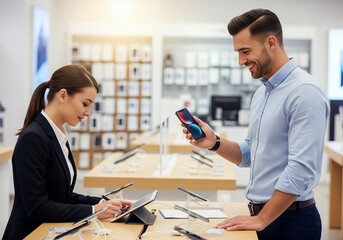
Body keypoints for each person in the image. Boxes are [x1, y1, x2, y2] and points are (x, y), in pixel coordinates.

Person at [182, 9, 329, 240]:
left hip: (290, 223)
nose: (240, 61)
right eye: (238, 52)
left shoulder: (304, 93)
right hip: (264, 218)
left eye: (245, 51)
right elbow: (251, 153)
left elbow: (301, 169)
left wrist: (262, 218)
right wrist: (215, 143)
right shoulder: (262, 93)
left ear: (271, 42)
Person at [3, 64, 131, 239]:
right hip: (30, 234)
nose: (88, 113)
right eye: (85, 104)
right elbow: (38, 207)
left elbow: (62, 195)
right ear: (62, 95)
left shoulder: (58, 134)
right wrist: (94, 211)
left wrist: (104, 203)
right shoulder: (33, 138)